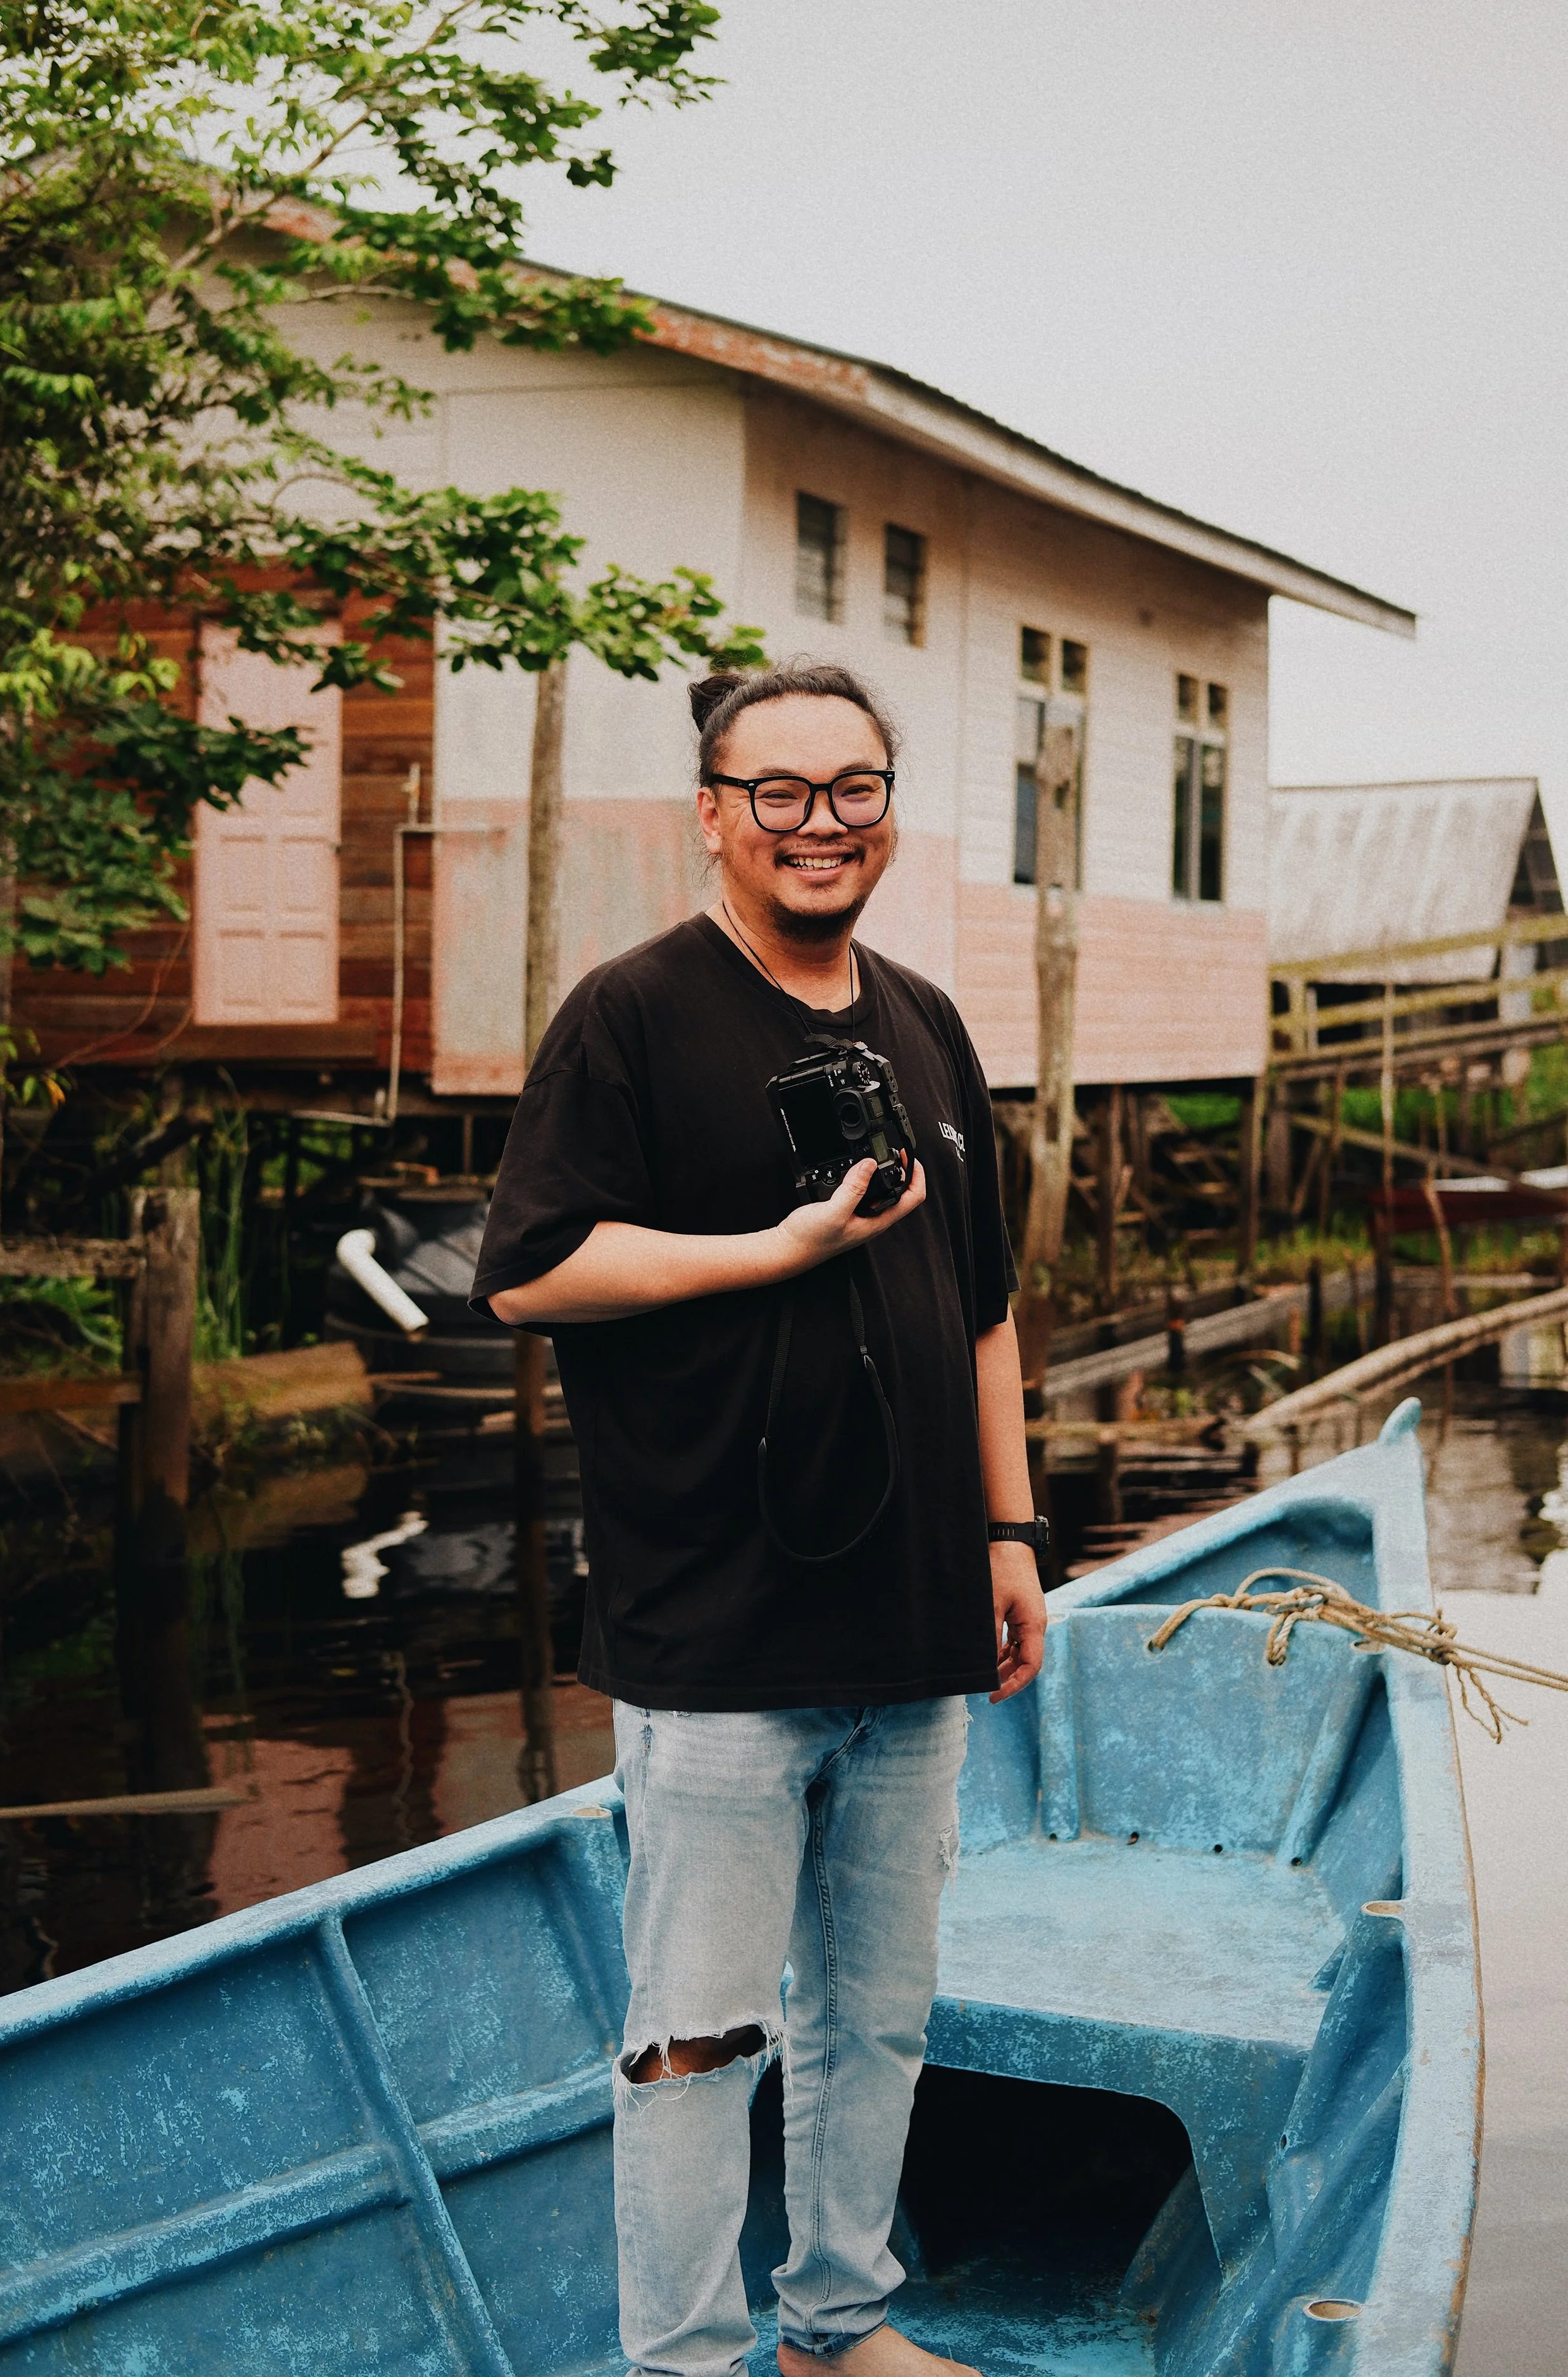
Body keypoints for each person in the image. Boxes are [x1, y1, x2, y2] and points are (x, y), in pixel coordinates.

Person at [470, 662, 1047, 2377]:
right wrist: (769, 1250)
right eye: (779, 791)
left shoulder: (927, 1022)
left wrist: (1012, 1537)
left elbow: (985, 1304)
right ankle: (686, 2357)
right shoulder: (633, 1014)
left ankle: (839, 2324)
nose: (819, 822)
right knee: (697, 2037)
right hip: (716, 1629)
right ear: (712, 811)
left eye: (852, 786)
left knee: (874, 2015)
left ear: (889, 802)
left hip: (919, 1611)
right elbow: (527, 1272)